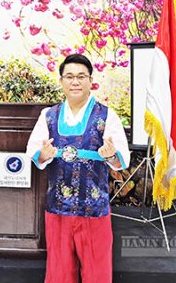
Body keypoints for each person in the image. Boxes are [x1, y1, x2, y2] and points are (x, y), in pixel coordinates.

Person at [26, 54, 130, 283]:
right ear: (61, 81)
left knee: (97, 273)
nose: (75, 82)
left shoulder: (107, 115)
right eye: (70, 76)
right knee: (59, 273)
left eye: (81, 76)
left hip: (94, 208)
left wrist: (110, 154)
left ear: (91, 81)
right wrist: (43, 154)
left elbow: (122, 160)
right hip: (57, 208)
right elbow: (34, 152)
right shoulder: (48, 115)